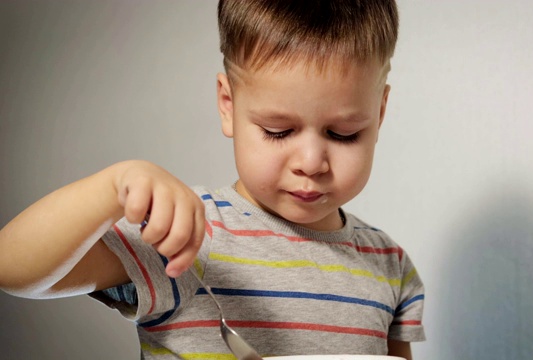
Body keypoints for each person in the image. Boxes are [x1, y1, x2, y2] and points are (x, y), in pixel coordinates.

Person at [0, 0, 425, 358]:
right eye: (278, 131)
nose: (312, 162)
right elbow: (12, 268)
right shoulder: (183, 234)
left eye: (344, 134)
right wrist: (113, 186)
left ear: (380, 112)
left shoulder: (390, 265)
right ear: (228, 104)